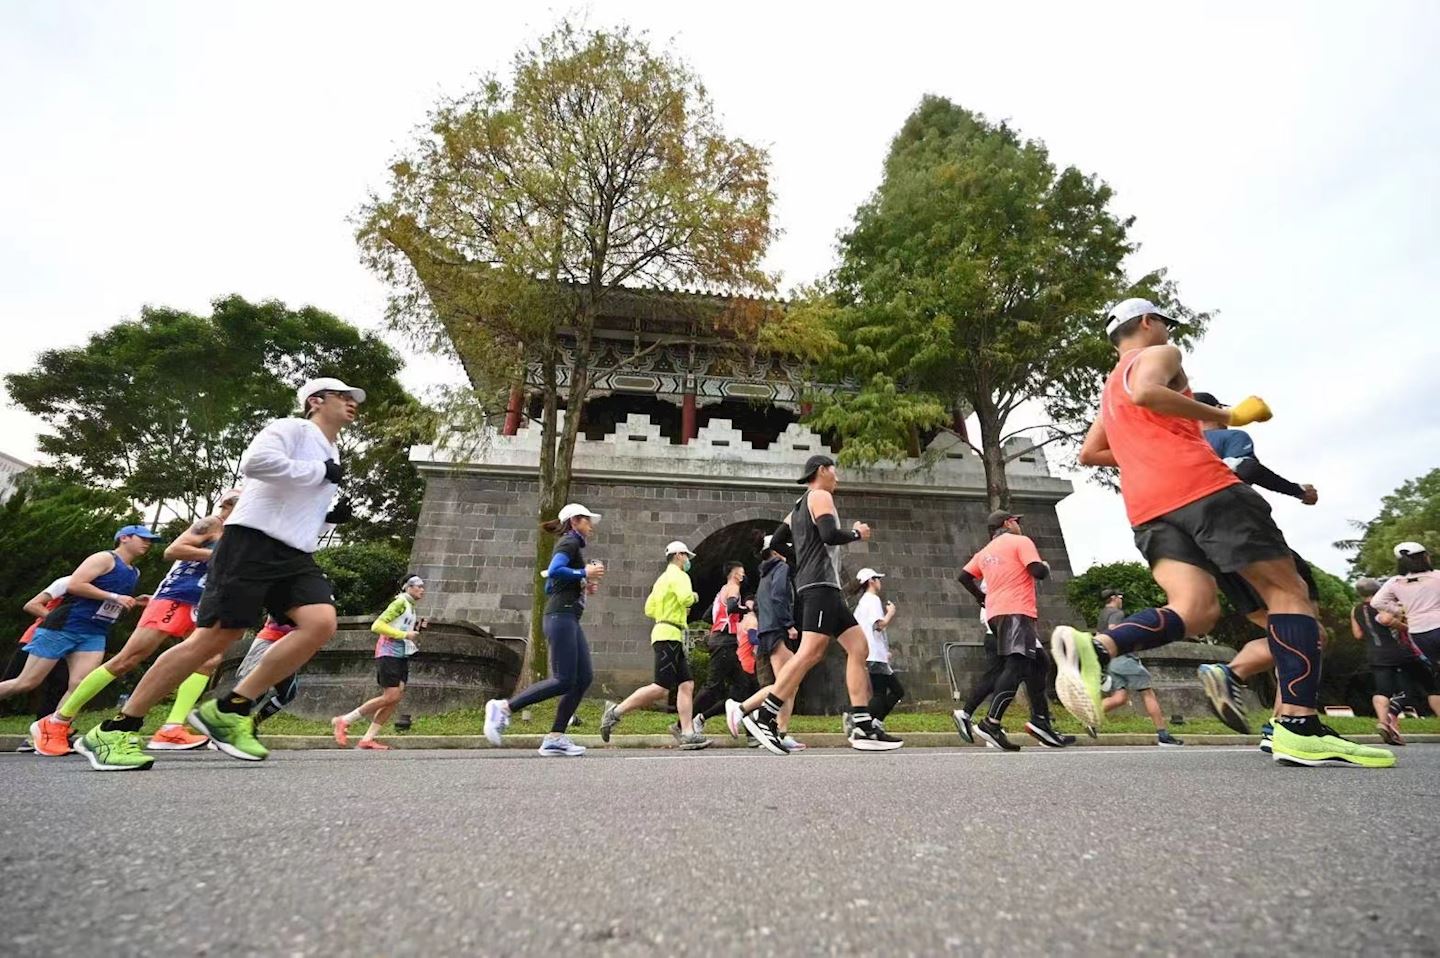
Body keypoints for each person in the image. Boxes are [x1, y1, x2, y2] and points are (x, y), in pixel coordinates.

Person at [1057, 297, 1392, 767]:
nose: (1170, 336)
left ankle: (1096, 646)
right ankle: (1299, 726)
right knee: (1289, 594)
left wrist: (1148, 452)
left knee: (1194, 610)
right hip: (1204, 490)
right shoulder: (1158, 356)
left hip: (1149, 509)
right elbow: (1148, 392)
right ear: (1148, 323)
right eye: (1165, 326)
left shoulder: (1109, 390)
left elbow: (1090, 453)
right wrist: (1228, 416)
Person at [76, 377, 362, 771]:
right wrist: (320, 472)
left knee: (320, 622)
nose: (352, 403)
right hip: (251, 542)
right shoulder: (292, 428)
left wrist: (329, 518)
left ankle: (231, 709)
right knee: (213, 639)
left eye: (353, 398)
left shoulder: (332, 451)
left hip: (295, 552)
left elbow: (292, 503)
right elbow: (256, 465)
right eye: (343, 396)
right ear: (316, 401)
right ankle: (114, 729)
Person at [34, 490, 243, 756]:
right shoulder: (213, 524)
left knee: (209, 661)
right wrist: (218, 557)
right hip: (176, 596)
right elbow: (174, 550)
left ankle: (171, 729)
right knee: (129, 658)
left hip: (204, 602)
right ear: (231, 505)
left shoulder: (243, 535)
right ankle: (55, 722)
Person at [724, 454, 903, 753]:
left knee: (859, 647)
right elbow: (830, 535)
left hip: (824, 587)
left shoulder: (796, 507)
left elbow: (778, 542)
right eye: (835, 471)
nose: (838, 477)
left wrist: (801, 559)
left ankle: (862, 725)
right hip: (820, 587)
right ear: (822, 470)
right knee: (809, 653)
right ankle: (765, 716)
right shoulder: (820, 495)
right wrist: (858, 533)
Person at [1186, 391, 1323, 735]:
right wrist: (1298, 492)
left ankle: (1276, 717)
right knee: (1307, 630)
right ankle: (1282, 715)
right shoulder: (1230, 435)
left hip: (1210, 552)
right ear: (1214, 410)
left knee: (1279, 630)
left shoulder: (1179, 448)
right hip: (1248, 536)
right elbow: (1247, 467)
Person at [0, 526, 159, 755]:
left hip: (95, 631)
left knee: (81, 685)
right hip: (65, 625)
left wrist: (134, 601)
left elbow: (106, 599)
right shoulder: (104, 558)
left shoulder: (135, 572)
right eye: (143, 538)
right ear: (124, 538)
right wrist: (115, 597)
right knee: (26, 682)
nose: (148, 543)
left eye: (150, 540)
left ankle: (53, 730)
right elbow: (76, 584)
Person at [484, 503, 604, 757]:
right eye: (587, 521)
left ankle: (555, 737)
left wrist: (583, 584)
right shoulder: (569, 542)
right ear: (575, 522)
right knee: (563, 679)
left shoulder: (572, 545)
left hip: (567, 616)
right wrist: (584, 571)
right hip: (560, 616)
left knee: (583, 678)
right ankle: (504, 707)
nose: (590, 526)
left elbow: (552, 586)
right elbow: (555, 570)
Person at [956, 511, 1065, 751]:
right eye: (1017, 521)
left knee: (1040, 663)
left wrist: (982, 598)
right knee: (1016, 665)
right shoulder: (1021, 542)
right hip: (1017, 611)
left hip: (996, 614)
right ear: (1007, 523)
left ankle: (1040, 721)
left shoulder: (984, 552)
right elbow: (1037, 571)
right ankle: (991, 723)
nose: (1019, 525)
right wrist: (1045, 566)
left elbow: (964, 577)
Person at [599, 541, 709, 750]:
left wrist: (669, 608)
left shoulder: (661, 580)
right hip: (669, 635)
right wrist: (693, 597)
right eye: (686, 556)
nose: (688, 561)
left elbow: (649, 608)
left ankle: (686, 732)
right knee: (660, 687)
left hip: (667, 633)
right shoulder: (680, 576)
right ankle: (615, 712)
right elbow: (686, 598)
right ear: (678, 555)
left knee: (687, 684)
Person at [332, 575, 427, 750]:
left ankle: (367, 739)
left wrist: (415, 630)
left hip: (401, 655)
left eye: (423, 586)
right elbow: (377, 626)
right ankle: (344, 720)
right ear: (408, 587)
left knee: (395, 698)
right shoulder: (399, 603)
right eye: (419, 586)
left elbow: (399, 627)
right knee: (390, 696)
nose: (422, 589)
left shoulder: (410, 607)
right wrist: (405, 635)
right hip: (388, 653)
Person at [1353, 577, 1440, 746]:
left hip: (1375, 654)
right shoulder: (1381, 605)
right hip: (1398, 651)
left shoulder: (1355, 609)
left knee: (1383, 690)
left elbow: (1358, 634)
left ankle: (1383, 723)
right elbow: (1385, 620)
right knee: (1431, 686)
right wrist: (1406, 627)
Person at [1096, 591, 1183, 747]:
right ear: (1114, 598)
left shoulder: (1102, 614)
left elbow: (1099, 636)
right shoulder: (1116, 613)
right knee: (1148, 693)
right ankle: (1163, 735)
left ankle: (1089, 718)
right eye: (1120, 597)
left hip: (1111, 661)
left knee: (1119, 698)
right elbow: (1114, 632)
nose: (1122, 600)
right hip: (1124, 658)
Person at [4, 575, 72, 751]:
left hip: (68, 643)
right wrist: (59, 622)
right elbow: (32, 605)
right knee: (15, 683)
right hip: (37, 639)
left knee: (61, 687)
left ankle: (42, 736)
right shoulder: (69, 582)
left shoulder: (102, 588)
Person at [753, 535, 805, 750]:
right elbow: (779, 597)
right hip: (778, 629)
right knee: (788, 682)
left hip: (767, 630)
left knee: (787, 683)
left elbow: (760, 604)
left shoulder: (764, 574)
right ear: (776, 551)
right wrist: (789, 624)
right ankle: (743, 710)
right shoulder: (781, 569)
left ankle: (777, 731)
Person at [690, 561, 748, 733]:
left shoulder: (720, 591)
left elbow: (708, 615)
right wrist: (745, 610)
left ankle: (703, 717)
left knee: (741, 687)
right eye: (742, 572)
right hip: (725, 641)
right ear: (735, 574)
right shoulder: (733, 588)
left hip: (721, 640)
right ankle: (683, 723)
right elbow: (731, 607)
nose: (743, 575)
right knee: (712, 686)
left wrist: (718, 625)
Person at [850, 568, 903, 727]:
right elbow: (879, 625)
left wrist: (885, 650)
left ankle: (874, 723)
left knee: (893, 691)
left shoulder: (862, 603)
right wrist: (890, 613)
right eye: (877, 579)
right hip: (874, 654)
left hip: (873, 653)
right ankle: (861, 722)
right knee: (885, 693)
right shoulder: (871, 600)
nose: (880, 582)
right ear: (871, 581)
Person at [1372, 542, 1440, 662]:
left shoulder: (1394, 582)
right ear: (1424, 557)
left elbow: (1376, 602)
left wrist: (1400, 611)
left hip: (1418, 632)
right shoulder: (1436, 576)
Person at [236, 617, 301, 730]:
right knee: (254, 691)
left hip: (289, 647)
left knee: (288, 693)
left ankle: (251, 726)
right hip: (270, 640)